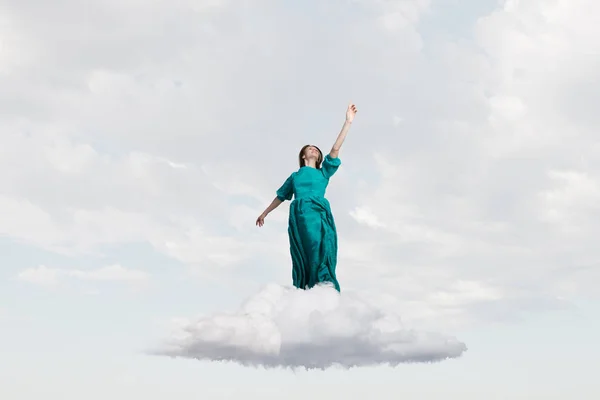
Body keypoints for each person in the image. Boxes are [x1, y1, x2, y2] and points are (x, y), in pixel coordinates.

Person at [256, 103, 358, 292]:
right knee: (308, 248)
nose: (314, 150)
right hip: (301, 215)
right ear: (303, 156)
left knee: (321, 245)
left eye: (316, 149)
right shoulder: (295, 176)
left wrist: (348, 122)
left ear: (319, 157)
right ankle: (310, 287)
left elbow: (335, 149)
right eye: (309, 148)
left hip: (319, 212)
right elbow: (280, 196)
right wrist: (264, 213)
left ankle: (324, 284)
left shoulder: (323, 173)